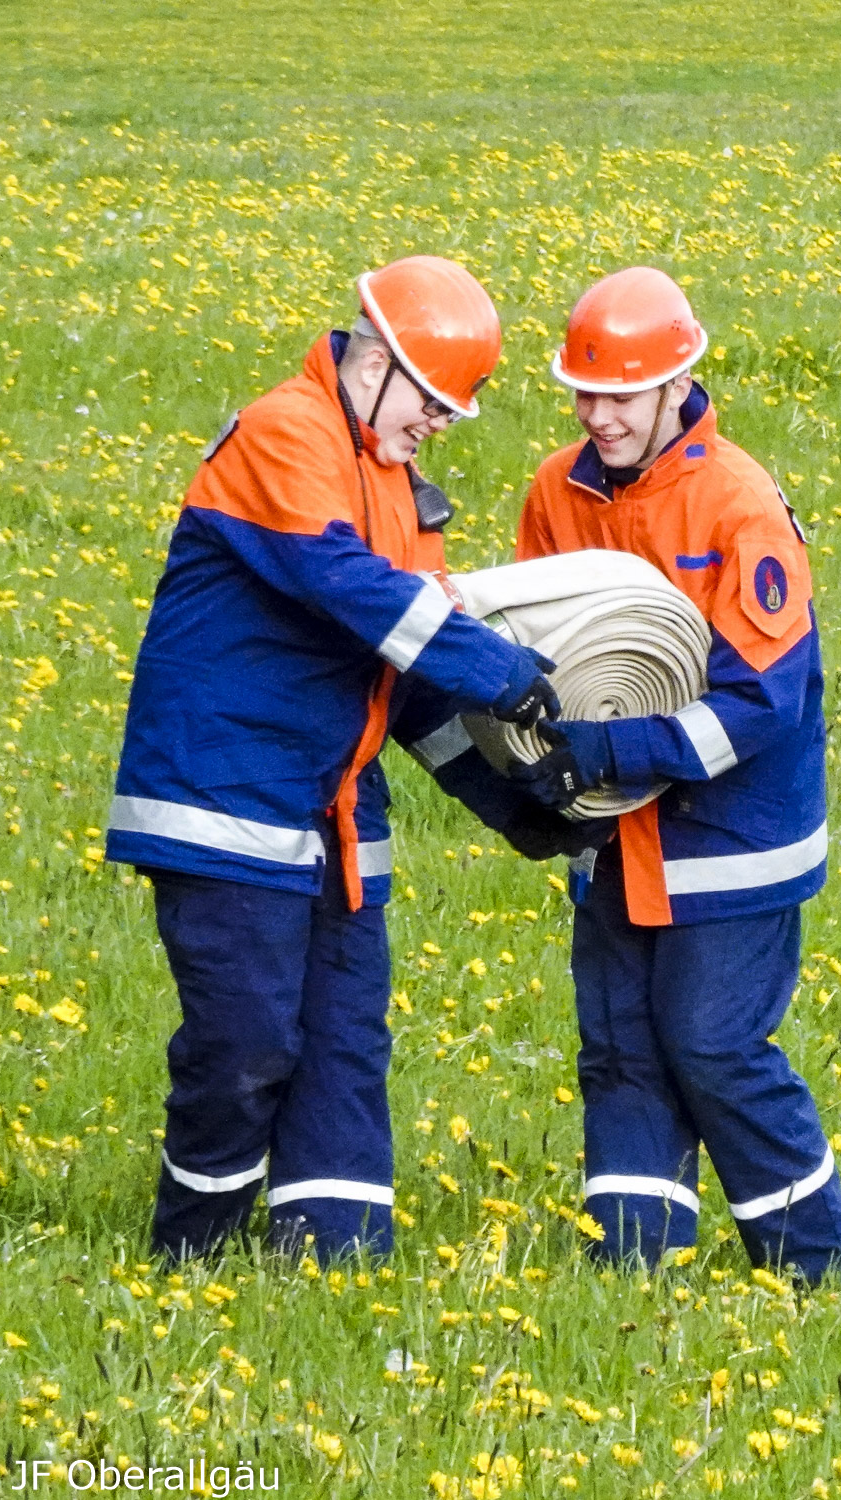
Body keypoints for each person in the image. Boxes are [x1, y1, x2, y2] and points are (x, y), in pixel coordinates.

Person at [105, 255, 568, 1262]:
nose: (439, 426)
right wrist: (500, 666)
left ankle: (336, 1260)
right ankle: (191, 1253)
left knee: (342, 1046)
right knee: (246, 1047)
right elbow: (347, 584)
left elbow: (407, 674)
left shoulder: (395, 484)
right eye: (434, 403)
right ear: (379, 365)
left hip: (332, 815)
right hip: (226, 798)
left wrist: (516, 799)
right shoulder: (287, 432)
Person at [511, 267, 841, 1284]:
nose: (597, 416)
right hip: (612, 835)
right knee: (617, 1047)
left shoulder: (737, 504)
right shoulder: (554, 490)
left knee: (712, 1048)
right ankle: (629, 1273)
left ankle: (814, 1272)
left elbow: (764, 704)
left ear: (677, 383)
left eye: (620, 396)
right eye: (583, 394)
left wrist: (614, 754)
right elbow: (535, 653)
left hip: (730, 843)